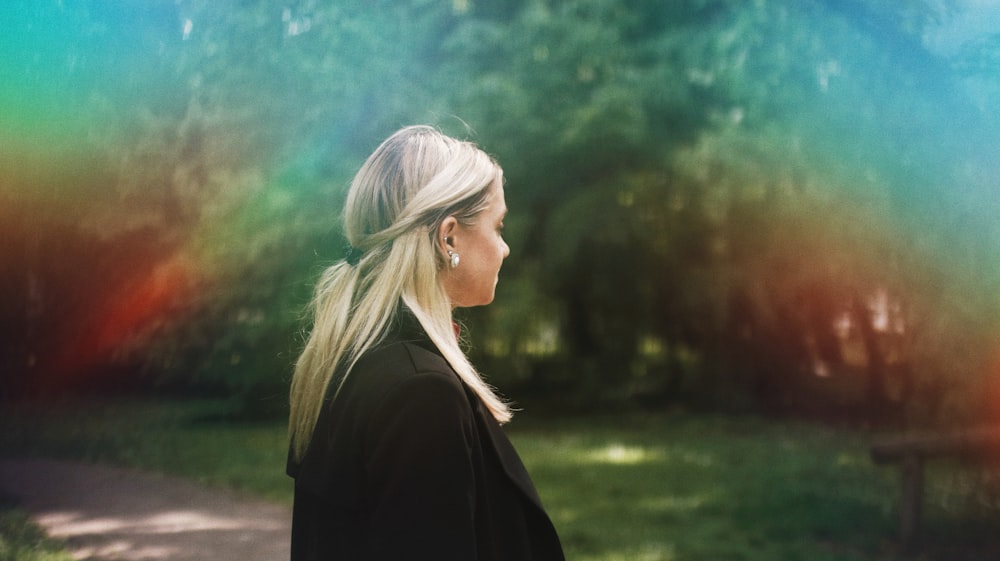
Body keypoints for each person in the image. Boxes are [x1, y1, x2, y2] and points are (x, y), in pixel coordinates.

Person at [286, 125, 565, 560]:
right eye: (498, 225)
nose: (505, 248)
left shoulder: (349, 361)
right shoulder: (421, 394)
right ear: (449, 236)